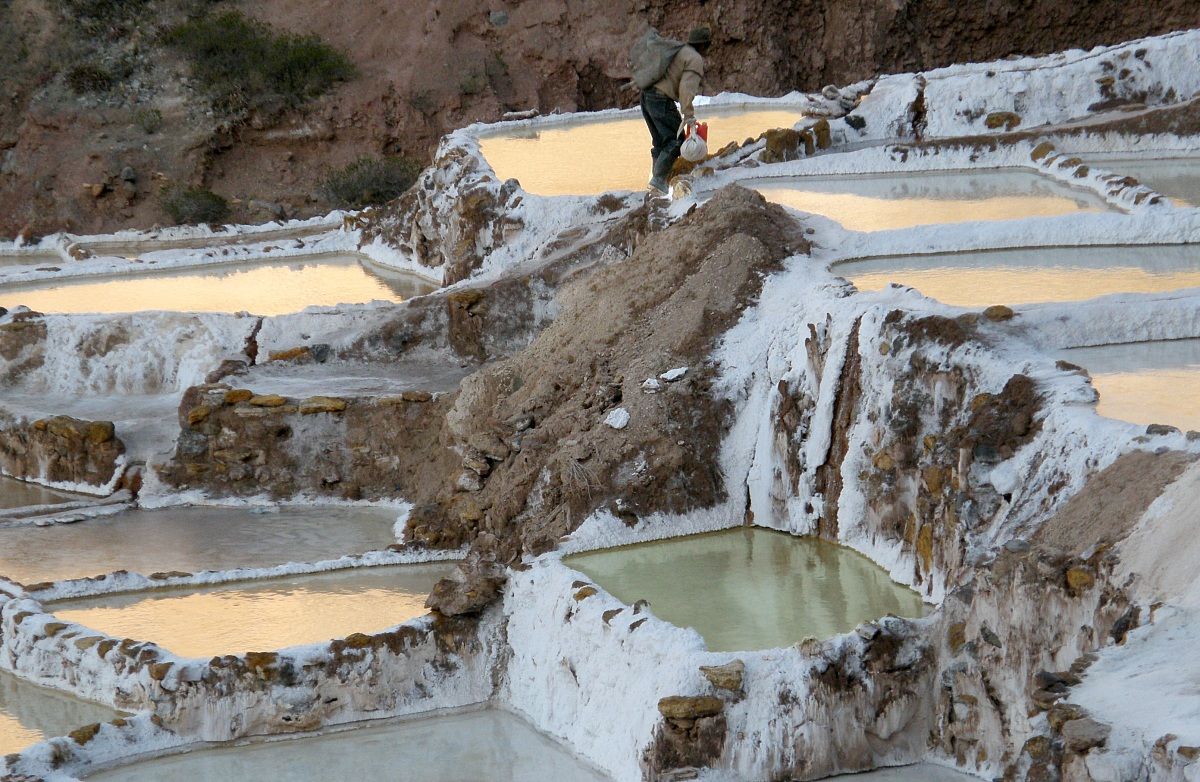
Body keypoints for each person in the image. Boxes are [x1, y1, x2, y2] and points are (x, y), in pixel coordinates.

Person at [640, 26, 711, 195]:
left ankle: (655, 184)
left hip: (646, 95)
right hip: (660, 99)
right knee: (676, 140)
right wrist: (689, 116)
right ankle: (658, 181)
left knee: (660, 141)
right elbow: (687, 89)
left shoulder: (679, 50)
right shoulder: (694, 59)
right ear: (704, 45)